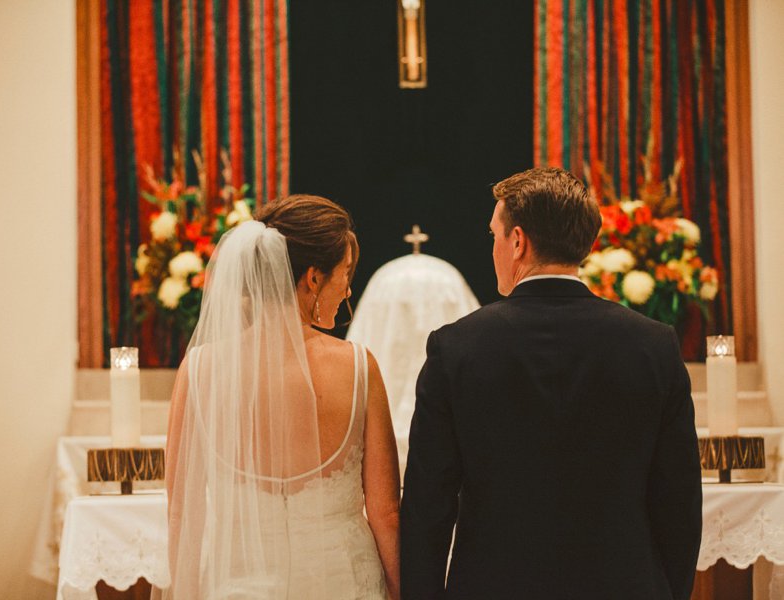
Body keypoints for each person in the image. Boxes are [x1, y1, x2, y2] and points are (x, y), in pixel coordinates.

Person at [400, 167, 702, 599]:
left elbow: (428, 506)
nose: (494, 249)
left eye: (494, 237)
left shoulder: (456, 348)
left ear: (518, 241)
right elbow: (679, 502)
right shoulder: (653, 346)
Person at [163, 195, 401, 599]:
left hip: (237, 586)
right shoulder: (358, 367)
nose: (347, 290)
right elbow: (385, 514)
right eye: (345, 273)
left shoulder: (200, 369)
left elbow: (183, 514)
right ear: (312, 278)